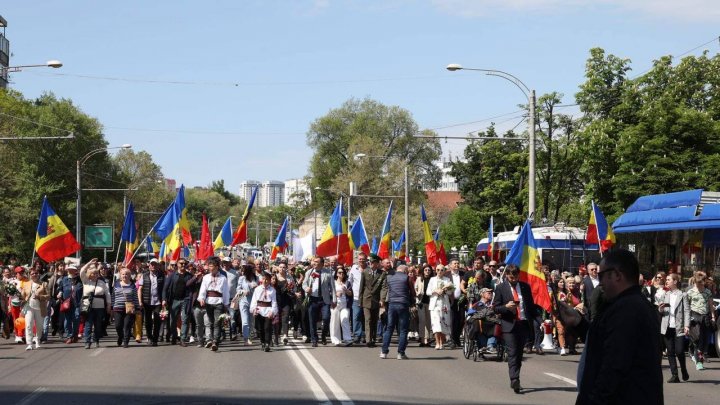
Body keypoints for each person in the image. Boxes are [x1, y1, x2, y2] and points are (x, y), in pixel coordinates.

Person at [576, 249, 663, 405]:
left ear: (617, 275)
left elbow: (613, 367)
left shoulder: (625, 311)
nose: (600, 282)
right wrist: (579, 324)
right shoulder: (639, 306)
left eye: (602, 275)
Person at [492, 264, 535, 394]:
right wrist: (506, 307)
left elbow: (531, 307)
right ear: (506, 276)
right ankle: (514, 379)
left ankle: (516, 376)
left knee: (519, 354)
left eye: (515, 277)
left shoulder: (525, 287)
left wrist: (537, 320)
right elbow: (495, 307)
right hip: (508, 324)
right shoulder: (500, 288)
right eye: (511, 277)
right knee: (512, 352)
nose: (513, 279)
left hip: (522, 324)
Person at [659, 272, 690, 382]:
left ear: (675, 281)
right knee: (670, 351)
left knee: (680, 351)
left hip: (679, 327)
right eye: (666, 279)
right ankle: (675, 375)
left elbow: (686, 311)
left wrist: (686, 325)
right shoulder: (665, 294)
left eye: (668, 279)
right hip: (667, 327)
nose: (666, 281)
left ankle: (684, 369)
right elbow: (661, 310)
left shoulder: (683, 295)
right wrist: (661, 309)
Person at [380, 264, 415, 359]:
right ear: (404, 271)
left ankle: (384, 352)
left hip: (392, 304)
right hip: (403, 304)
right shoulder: (407, 278)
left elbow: (388, 290)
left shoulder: (390, 278)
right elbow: (412, 292)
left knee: (389, 328)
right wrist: (413, 303)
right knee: (403, 329)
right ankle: (401, 353)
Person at [197, 256, 230, 352]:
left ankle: (215, 341)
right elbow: (203, 289)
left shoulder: (223, 278)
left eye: (212, 266)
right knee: (211, 322)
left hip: (218, 302)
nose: (210, 268)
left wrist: (226, 303)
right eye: (209, 266)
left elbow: (225, 291)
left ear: (217, 267)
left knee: (217, 322)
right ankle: (211, 339)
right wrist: (201, 298)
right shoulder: (206, 277)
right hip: (208, 302)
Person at [303, 256, 336, 347]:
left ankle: (324, 336)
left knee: (326, 318)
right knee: (312, 320)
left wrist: (334, 300)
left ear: (321, 263)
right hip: (313, 299)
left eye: (316, 262)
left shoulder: (328, 272)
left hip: (324, 299)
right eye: (314, 261)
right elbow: (304, 283)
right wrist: (306, 288)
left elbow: (333, 287)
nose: (314, 263)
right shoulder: (309, 272)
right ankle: (314, 339)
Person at [686, 270, 716, 371]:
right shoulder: (690, 292)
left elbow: (711, 305)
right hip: (694, 316)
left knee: (704, 340)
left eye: (702, 282)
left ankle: (700, 359)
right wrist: (686, 320)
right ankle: (698, 361)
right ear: (695, 281)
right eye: (698, 282)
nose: (700, 284)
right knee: (697, 339)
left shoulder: (707, 292)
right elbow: (686, 307)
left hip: (705, 317)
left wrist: (712, 317)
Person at [80, 259, 112, 349]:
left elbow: (107, 294)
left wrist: (109, 305)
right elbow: (82, 270)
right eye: (93, 273)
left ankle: (96, 339)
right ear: (89, 274)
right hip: (88, 307)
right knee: (88, 325)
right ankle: (87, 342)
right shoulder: (85, 281)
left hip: (100, 307)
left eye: (96, 274)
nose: (95, 275)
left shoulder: (102, 283)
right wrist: (90, 263)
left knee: (98, 325)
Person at [163, 259, 194, 346]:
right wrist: (164, 299)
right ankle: (174, 336)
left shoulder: (189, 275)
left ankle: (183, 339)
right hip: (174, 300)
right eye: (181, 263)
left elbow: (194, 287)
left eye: (184, 263)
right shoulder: (172, 275)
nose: (183, 265)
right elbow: (165, 288)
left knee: (185, 319)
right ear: (177, 264)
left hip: (186, 299)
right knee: (172, 320)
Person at [358, 254, 386, 347]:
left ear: (377, 263)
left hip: (376, 300)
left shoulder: (382, 273)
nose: (371, 264)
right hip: (366, 299)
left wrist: (382, 299)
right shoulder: (365, 272)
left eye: (373, 262)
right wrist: (360, 301)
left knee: (374, 320)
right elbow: (361, 287)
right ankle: (368, 340)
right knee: (368, 319)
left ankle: (373, 338)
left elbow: (383, 287)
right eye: (370, 262)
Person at [137, 259, 166, 346]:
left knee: (157, 321)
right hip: (147, 302)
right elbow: (140, 289)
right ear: (149, 266)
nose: (153, 266)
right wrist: (140, 301)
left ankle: (155, 339)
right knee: (148, 321)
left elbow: (164, 289)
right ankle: (149, 337)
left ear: (157, 266)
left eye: (155, 264)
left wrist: (164, 300)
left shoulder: (162, 276)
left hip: (157, 302)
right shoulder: (144, 275)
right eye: (152, 264)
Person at [20, 268, 49, 350]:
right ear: (30, 275)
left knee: (39, 326)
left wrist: (39, 296)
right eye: (32, 273)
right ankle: (29, 343)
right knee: (29, 325)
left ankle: (37, 340)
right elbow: (23, 296)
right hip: (29, 307)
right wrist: (22, 294)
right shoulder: (26, 284)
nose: (34, 275)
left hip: (39, 307)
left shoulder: (44, 284)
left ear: (38, 274)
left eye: (36, 273)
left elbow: (48, 296)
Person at [250, 271, 278, 352]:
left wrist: (273, 311)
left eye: (267, 280)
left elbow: (274, 301)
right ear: (261, 279)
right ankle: (262, 341)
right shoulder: (257, 289)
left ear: (269, 281)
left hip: (268, 310)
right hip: (259, 310)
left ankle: (267, 343)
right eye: (264, 279)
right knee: (260, 328)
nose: (265, 281)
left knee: (267, 327)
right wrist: (254, 309)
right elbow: (254, 300)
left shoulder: (272, 290)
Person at [111, 267, 140, 348]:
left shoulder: (132, 285)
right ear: (120, 275)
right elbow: (113, 296)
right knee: (118, 325)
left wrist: (137, 307)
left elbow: (135, 297)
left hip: (129, 309)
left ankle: (126, 341)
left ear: (130, 275)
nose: (125, 276)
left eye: (127, 274)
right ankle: (120, 336)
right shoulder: (116, 284)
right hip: (117, 308)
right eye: (123, 274)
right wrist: (111, 307)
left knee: (127, 325)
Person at [427, 264, 453, 350]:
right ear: (435, 270)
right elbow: (428, 292)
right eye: (438, 270)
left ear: (444, 271)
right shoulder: (432, 279)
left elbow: (450, 292)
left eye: (442, 270)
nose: (440, 272)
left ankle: (442, 342)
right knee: (436, 324)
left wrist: (445, 290)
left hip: (444, 305)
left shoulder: (447, 280)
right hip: (435, 305)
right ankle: (437, 342)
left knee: (444, 324)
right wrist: (435, 291)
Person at [329, 265, 352, 346]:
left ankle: (347, 339)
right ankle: (336, 339)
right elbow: (329, 293)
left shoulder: (347, 282)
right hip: (335, 304)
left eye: (343, 272)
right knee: (335, 322)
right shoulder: (333, 282)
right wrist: (336, 294)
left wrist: (346, 290)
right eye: (339, 272)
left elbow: (350, 293)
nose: (341, 274)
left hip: (345, 305)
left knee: (344, 320)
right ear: (336, 274)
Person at [59, 265, 83, 344]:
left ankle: (75, 335)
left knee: (76, 318)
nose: (70, 270)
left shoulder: (80, 279)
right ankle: (69, 336)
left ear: (75, 270)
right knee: (67, 320)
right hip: (67, 303)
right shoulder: (64, 279)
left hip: (77, 303)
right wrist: (60, 293)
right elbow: (60, 289)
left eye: (72, 269)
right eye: (69, 269)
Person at [347, 252, 367, 344]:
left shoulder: (369, 269)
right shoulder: (353, 269)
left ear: (366, 259)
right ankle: (357, 335)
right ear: (357, 259)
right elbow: (350, 282)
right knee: (356, 317)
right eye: (360, 259)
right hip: (356, 297)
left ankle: (364, 335)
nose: (361, 261)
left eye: (363, 259)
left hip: (367, 297)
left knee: (366, 317)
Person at [236, 264, 258, 345]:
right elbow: (238, 290)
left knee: (252, 321)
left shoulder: (256, 278)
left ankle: (249, 336)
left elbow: (259, 289)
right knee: (245, 321)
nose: (254, 270)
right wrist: (243, 292)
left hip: (253, 302)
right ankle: (246, 338)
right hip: (243, 301)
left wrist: (256, 287)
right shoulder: (242, 278)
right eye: (253, 269)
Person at [414, 265, 433, 347]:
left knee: (428, 321)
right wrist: (418, 293)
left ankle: (427, 339)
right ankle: (422, 339)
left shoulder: (433, 279)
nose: (427, 271)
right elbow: (415, 288)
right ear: (423, 271)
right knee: (422, 321)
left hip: (430, 302)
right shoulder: (419, 279)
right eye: (426, 270)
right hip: (421, 302)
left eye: (429, 270)